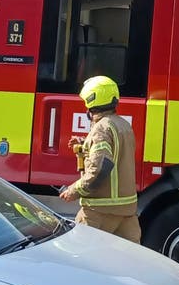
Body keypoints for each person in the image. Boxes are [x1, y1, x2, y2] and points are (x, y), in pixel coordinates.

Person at [59, 75, 140, 243]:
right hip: (126, 211)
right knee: (128, 262)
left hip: (100, 210)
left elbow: (101, 167)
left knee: (81, 256)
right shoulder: (122, 125)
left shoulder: (101, 129)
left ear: (91, 101)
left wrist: (74, 191)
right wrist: (84, 146)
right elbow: (116, 155)